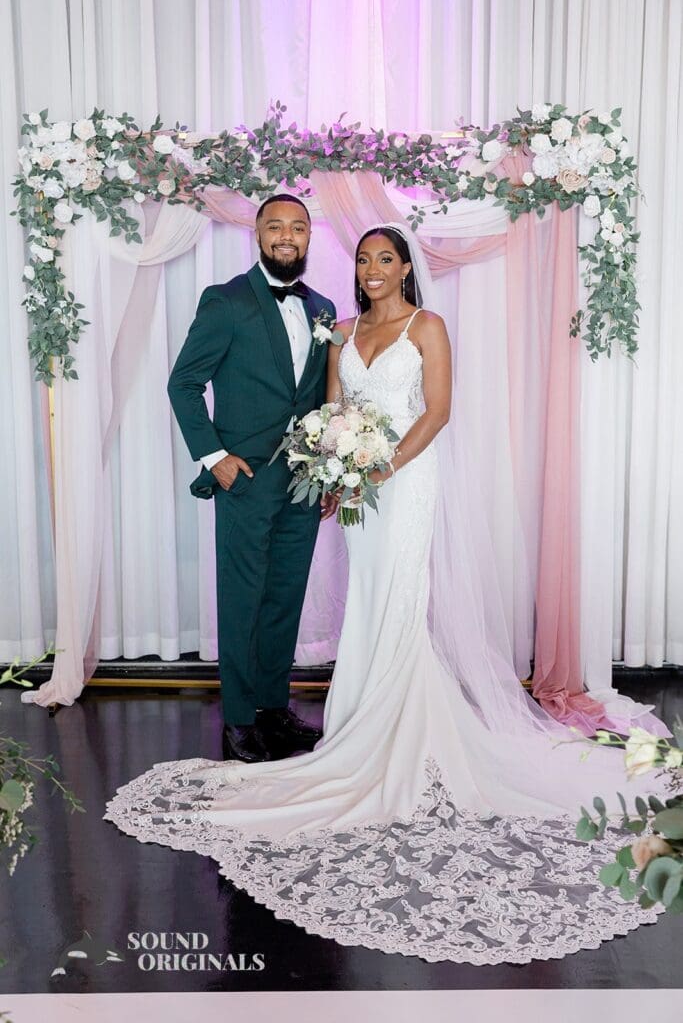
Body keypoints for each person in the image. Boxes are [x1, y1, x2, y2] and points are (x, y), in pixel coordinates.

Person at [107, 223, 666, 965]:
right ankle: (358, 722)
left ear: (404, 265)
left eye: (384, 259)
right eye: (364, 259)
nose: (372, 269)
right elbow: (331, 412)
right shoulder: (337, 329)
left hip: (403, 483)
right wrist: (339, 470)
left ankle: (392, 733)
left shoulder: (427, 326)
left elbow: (436, 412)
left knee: (401, 594)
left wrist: (379, 469)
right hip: (356, 494)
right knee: (366, 597)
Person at [167, 194, 336, 763]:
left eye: (298, 227)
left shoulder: (324, 308)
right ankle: (239, 718)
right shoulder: (227, 301)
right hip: (244, 478)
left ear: (310, 237)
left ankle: (272, 707)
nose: (286, 236)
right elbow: (183, 384)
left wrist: (330, 465)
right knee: (243, 597)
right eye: (275, 226)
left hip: (303, 482)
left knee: (285, 596)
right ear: (258, 235)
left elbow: (317, 397)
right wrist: (214, 458)